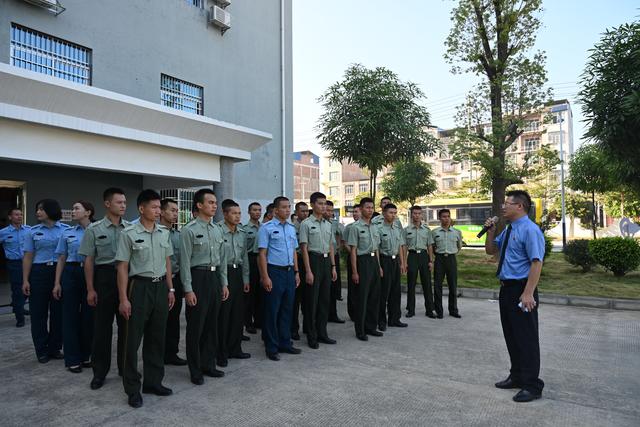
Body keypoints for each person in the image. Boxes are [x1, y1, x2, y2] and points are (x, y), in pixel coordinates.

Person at [115, 189, 175, 408]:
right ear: (141, 209)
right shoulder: (128, 233)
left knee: (157, 338)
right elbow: (122, 267)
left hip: (160, 288)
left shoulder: (163, 232)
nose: (159, 211)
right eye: (154, 207)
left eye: (160, 207)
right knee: (132, 340)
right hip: (138, 287)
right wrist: (123, 298)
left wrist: (170, 289)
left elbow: (167, 262)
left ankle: (153, 382)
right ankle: (132, 388)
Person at [485, 190, 545, 403]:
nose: (503, 207)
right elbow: (491, 250)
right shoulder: (510, 229)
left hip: (522, 289)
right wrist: (491, 231)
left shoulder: (530, 230)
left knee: (526, 337)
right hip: (506, 289)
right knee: (512, 334)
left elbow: (537, 262)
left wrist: (528, 292)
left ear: (519, 206)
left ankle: (532, 385)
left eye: (507, 203)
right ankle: (517, 375)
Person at [79, 187, 129, 390]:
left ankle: (126, 368)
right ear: (107, 204)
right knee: (102, 328)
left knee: (127, 326)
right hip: (104, 277)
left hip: (126, 277)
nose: (123, 206)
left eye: (125, 202)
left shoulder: (130, 228)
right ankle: (99, 372)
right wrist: (90, 289)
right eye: (119, 202)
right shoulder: (94, 229)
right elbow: (89, 260)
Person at [180, 189, 228, 385]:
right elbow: (184, 262)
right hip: (197, 278)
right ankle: (195, 369)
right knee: (196, 326)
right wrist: (188, 289)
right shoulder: (189, 230)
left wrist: (224, 283)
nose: (214, 206)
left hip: (214, 277)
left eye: (215, 202)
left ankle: (209, 364)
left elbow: (222, 260)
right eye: (210, 202)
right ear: (199, 205)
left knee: (211, 325)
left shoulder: (218, 229)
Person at [22, 199, 69, 363]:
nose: (38, 212)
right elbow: (28, 257)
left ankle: (55, 348)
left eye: (41, 209)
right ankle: (41, 350)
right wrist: (25, 280)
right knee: (38, 314)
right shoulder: (32, 231)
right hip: (39, 273)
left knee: (58, 314)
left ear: (51, 210)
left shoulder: (66, 230)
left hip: (60, 273)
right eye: (37, 209)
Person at [257, 196, 302, 361]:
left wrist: (296, 272)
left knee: (287, 309)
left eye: (289, 207)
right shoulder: (266, 228)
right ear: (275, 210)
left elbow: (293, 252)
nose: (287, 210)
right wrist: (265, 276)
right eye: (283, 207)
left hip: (289, 272)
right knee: (272, 311)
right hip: (274, 272)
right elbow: (261, 254)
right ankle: (271, 346)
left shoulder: (291, 228)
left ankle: (285, 342)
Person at [53, 201, 95, 373]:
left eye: (77, 208)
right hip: (71, 273)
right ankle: (72, 359)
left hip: (92, 274)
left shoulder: (98, 230)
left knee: (89, 316)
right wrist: (57, 282)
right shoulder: (67, 232)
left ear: (88, 212)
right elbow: (61, 258)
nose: (73, 211)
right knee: (69, 316)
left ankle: (86, 356)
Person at [299, 192, 337, 349]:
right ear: (312, 205)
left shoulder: (328, 224)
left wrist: (333, 267)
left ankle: (323, 333)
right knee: (311, 301)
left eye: (325, 204)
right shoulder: (306, 224)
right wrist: (308, 271)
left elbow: (330, 246)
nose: (323, 206)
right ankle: (311, 335)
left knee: (324, 300)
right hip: (312, 261)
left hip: (326, 261)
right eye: (320, 203)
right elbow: (304, 248)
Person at [217, 199, 251, 366]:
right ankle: (221, 352)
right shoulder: (218, 231)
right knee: (224, 315)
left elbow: (244, 256)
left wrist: (246, 279)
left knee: (238, 314)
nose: (237, 216)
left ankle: (235, 348)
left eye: (239, 213)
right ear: (225, 214)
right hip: (223, 273)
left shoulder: (242, 232)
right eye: (234, 213)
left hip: (238, 273)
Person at [346, 197, 383, 341]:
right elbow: (353, 251)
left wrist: (379, 266)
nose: (370, 210)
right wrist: (355, 271)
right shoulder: (355, 227)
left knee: (374, 297)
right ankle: (360, 330)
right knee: (362, 297)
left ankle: (371, 327)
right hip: (362, 262)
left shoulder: (375, 226)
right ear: (361, 209)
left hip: (374, 261)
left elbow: (377, 249)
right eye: (367, 207)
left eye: (372, 208)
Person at [160, 198, 187, 366]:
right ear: (161, 212)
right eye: (172, 210)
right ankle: (157, 354)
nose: (175, 213)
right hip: (159, 281)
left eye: (177, 210)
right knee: (158, 320)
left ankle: (172, 353)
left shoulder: (178, 235)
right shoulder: (155, 232)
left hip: (176, 281)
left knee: (174, 319)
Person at [376, 203, 407, 330]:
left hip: (395, 261)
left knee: (396, 292)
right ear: (384, 213)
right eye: (390, 213)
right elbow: (376, 249)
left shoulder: (396, 228)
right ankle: (381, 321)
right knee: (384, 293)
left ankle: (395, 319)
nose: (393, 215)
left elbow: (400, 246)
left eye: (395, 213)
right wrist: (379, 266)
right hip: (384, 260)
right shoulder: (378, 228)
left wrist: (402, 263)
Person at [403, 205, 436, 318]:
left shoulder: (427, 230)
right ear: (411, 215)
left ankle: (430, 310)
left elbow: (430, 246)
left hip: (423, 256)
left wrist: (431, 261)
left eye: (419, 213)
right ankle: (410, 309)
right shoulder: (406, 230)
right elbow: (404, 247)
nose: (416, 216)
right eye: (414, 213)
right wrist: (404, 262)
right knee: (411, 284)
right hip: (412, 256)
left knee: (427, 284)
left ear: (422, 215)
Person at [0, 208, 31, 327]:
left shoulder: (28, 230)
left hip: (28, 263)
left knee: (28, 289)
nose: (19, 216)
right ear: (10, 217)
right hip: (14, 264)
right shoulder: (3, 232)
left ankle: (18, 306)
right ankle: (20, 317)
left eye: (21, 214)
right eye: (16, 214)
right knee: (18, 290)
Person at [432, 209, 462, 319]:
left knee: (453, 286)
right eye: (444, 216)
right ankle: (439, 311)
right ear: (439, 218)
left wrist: (451, 253)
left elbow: (459, 247)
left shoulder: (457, 232)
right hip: (439, 259)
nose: (446, 218)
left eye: (448, 216)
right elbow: (432, 247)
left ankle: (453, 310)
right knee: (437, 286)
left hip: (451, 259)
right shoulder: (435, 232)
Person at [243, 202, 262, 333]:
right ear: (249, 212)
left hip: (262, 260)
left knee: (261, 293)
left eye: (259, 210)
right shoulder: (244, 229)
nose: (257, 212)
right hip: (250, 260)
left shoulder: (265, 227)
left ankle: (259, 320)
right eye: (254, 210)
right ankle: (248, 322)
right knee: (249, 293)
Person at [291, 201, 309, 340]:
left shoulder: (309, 226)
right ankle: (294, 329)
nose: (305, 213)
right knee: (295, 300)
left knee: (307, 298)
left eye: (306, 211)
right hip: (296, 262)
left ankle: (308, 327)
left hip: (308, 262)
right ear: (296, 213)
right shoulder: (292, 227)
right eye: (302, 211)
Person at [325, 200, 345, 323]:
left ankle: (333, 314)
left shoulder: (334, 223)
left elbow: (341, 237)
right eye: (327, 210)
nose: (329, 213)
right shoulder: (313, 224)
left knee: (333, 286)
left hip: (333, 256)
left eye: (332, 211)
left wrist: (338, 248)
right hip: (321, 257)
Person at [342, 203, 360, 321]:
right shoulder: (349, 227)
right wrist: (354, 253)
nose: (354, 214)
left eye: (356, 211)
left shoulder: (370, 226)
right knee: (353, 285)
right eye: (353, 212)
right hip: (353, 258)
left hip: (365, 259)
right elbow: (345, 243)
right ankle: (353, 312)